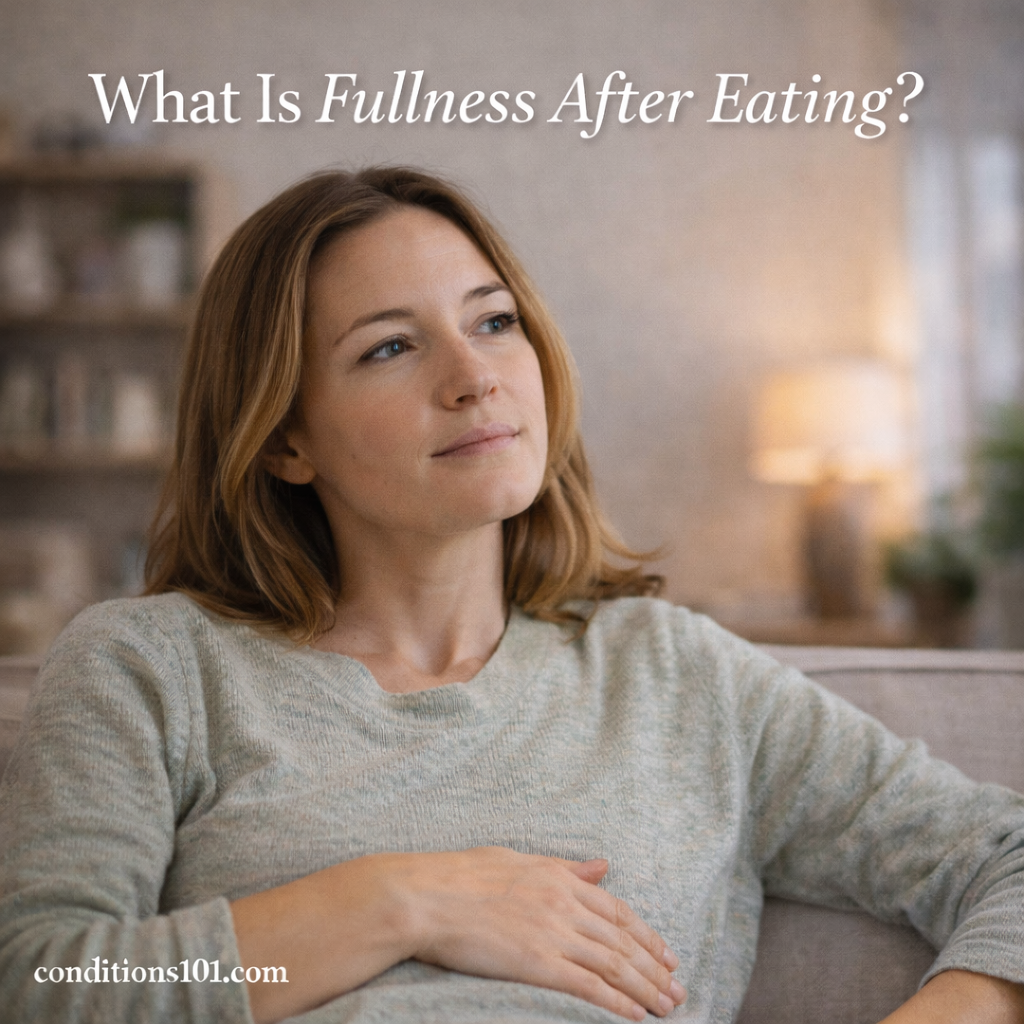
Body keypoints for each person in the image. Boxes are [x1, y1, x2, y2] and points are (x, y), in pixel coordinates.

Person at [0, 166, 1022, 1024]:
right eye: (390, 347)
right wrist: (395, 901)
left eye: (493, 321)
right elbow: (46, 978)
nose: (473, 377)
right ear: (283, 437)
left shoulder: (673, 673)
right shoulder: (152, 665)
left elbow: (1003, 858)